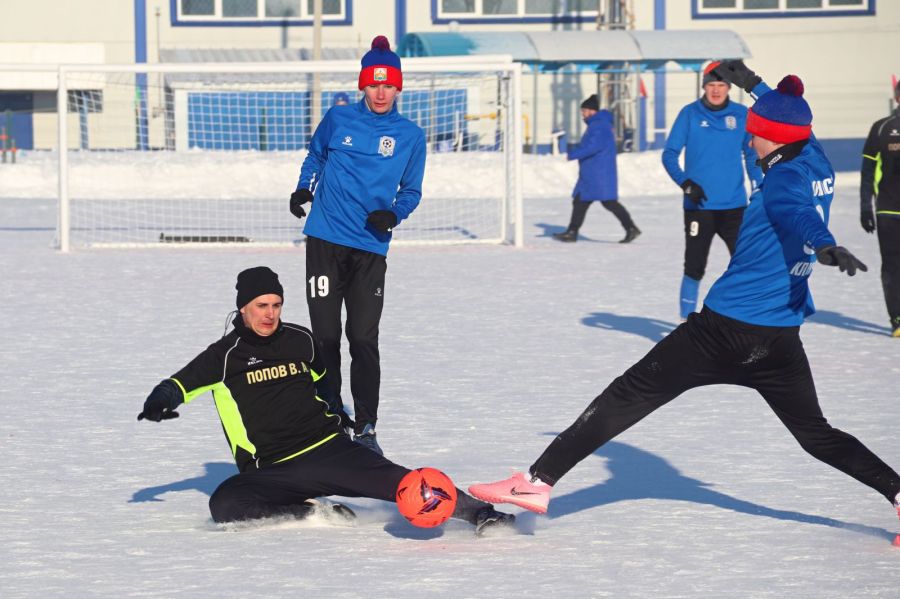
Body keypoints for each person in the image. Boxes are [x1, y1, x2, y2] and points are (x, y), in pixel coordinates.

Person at [469, 66, 900, 540]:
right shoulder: (814, 156)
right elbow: (793, 122)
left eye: (755, 134)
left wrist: (823, 243)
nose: (750, 142)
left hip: (721, 332)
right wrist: (754, 83)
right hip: (778, 339)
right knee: (818, 434)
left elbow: (792, 210)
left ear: (769, 138)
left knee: (627, 394)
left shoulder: (781, 180)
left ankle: (536, 482)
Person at [137, 266, 514, 534]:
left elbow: (324, 381)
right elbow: (179, 385)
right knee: (224, 505)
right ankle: (312, 514)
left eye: (276, 305)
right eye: (261, 306)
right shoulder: (224, 355)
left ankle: (481, 514)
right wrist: (159, 400)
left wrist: (334, 407)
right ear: (243, 310)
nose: (270, 314)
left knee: (409, 484)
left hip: (331, 451)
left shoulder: (300, 339)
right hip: (273, 469)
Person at [289, 35, 426, 455]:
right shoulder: (338, 118)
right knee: (325, 336)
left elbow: (412, 191)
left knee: (363, 338)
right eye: (373, 84)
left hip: (371, 248)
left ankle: (366, 426)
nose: (381, 93)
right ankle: (330, 416)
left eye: (389, 85)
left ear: (399, 88)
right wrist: (301, 189)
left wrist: (394, 214)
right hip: (325, 240)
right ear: (363, 85)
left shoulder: (410, 136)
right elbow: (315, 157)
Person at [662, 62, 764, 320]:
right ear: (704, 86)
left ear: (729, 87)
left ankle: (746, 318)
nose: (716, 90)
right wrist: (685, 183)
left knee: (745, 264)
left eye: (721, 85)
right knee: (694, 267)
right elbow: (669, 154)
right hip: (699, 208)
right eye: (711, 85)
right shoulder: (689, 114)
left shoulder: (742, 114)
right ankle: (687, 321)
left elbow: (751, 156)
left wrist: (758, 187)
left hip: (734, 206)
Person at [553, 94, 641, 244]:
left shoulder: (599, 125)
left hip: (599, 172)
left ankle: (631, 228)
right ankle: (572, 232)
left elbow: (593, 147)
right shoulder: (599, 124)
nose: (583, 114)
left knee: (608, 202)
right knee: (581, 201)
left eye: (584, 111)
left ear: (592, 111)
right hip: (595, 171)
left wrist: (573, 155)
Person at [860, 81, 900, 337]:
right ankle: (897, 319)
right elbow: (867, 171)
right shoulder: (882, 128)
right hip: (889, 211)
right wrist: (865, 206)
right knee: (893, 266)